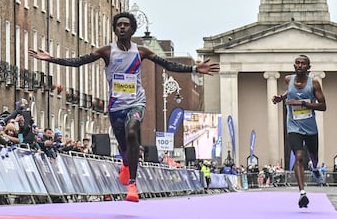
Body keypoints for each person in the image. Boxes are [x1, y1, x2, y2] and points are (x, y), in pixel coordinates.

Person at [29, 11, 219, 202]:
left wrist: (194, 69)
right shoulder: (107, 51)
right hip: (115, 106)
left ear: (132, 29)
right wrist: (51, 59)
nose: (121, 27)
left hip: (136, 102)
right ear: (114, 29)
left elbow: (167, 64)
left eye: (126, 25)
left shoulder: (141, 52)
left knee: (132, 132)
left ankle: (133, 184)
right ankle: (126, 165)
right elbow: (79, 61)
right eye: (118, 25)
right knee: (123, 145)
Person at [271, 54, 327, 209]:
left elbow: (323, 106)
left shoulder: (314, 83)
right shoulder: (289, 80)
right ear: (294, 66)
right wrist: (281, 98)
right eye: (297, 63)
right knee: (299, 156)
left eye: (303, 63)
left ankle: (314, 168)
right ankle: (302, 193)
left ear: (308, 67)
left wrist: (303, 103)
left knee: (313, 157)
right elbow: (290, 92)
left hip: (310, 128)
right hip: (293, 126)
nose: (300, 65)